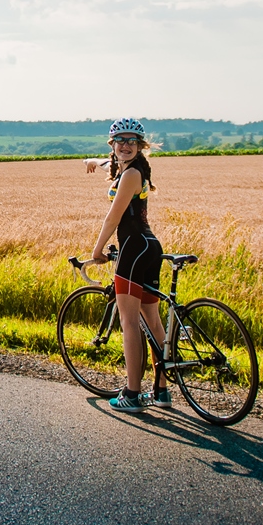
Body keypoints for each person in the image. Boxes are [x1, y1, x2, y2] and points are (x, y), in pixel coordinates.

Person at [85, 118, 168, 412]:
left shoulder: (131, 174)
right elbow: (114, 165)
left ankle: (132, 395)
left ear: (140, 146)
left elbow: (114, 217)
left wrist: (97, 250)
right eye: (119, 141)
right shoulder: (133, 169)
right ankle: (161, 391)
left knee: (130, 323)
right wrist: (95, 161)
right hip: (150, 247)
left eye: (131, 141)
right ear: (112, 145)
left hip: (133, 250)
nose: (125, 145)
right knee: (153, 322)